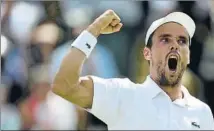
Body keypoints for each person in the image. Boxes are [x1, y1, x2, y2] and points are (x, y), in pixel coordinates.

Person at [52, 10, 214, 129]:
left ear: (189, 56)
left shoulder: (202, 112)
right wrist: (93, 31)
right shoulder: (122, 94)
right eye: (165, 39)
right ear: (147, 53)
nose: (175, 45)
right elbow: (64, 86)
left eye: (182, 41)